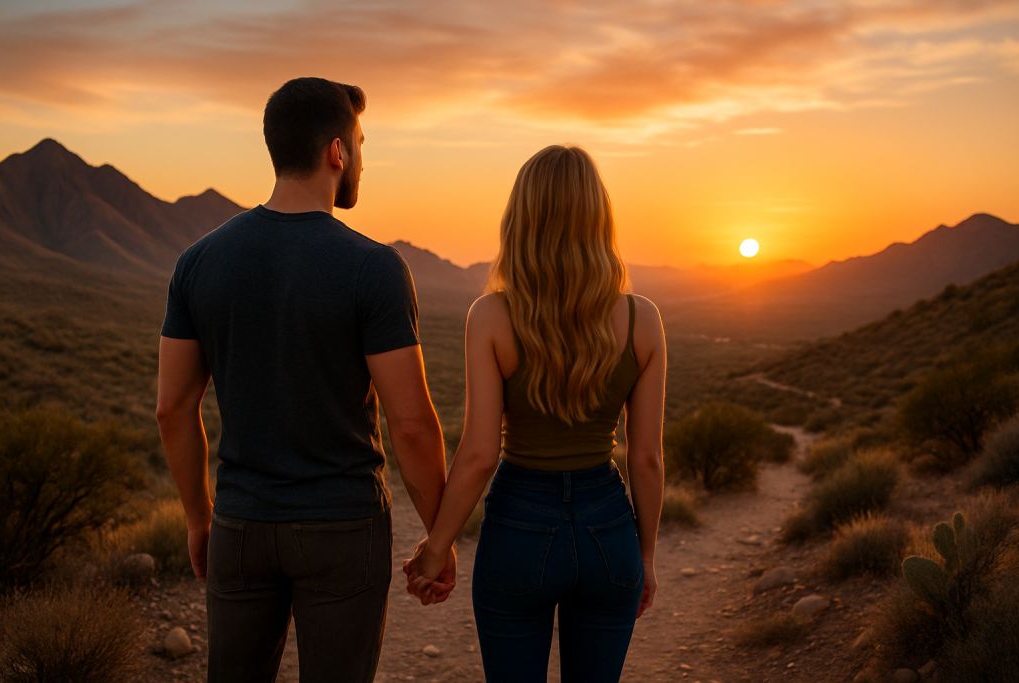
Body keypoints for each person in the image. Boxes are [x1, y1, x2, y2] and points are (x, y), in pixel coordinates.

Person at [156, 77, 455, 683]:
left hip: (241, 524)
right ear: (337, 152)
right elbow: (411, 425)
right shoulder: (374, 267)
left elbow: (172, 408)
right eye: (361, 144)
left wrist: (199, 519)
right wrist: (438, 538)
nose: (363, 160)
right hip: (343, 526)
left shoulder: (199, 261)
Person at [404, 145, 666, 682]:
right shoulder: (643, 319)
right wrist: (644, 558)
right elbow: (646, 458)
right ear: (600, 219)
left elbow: (479, 454)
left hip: (518, 526)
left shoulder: (491, 315)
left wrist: (436, 548)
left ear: (521, 219)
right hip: (608, 528)